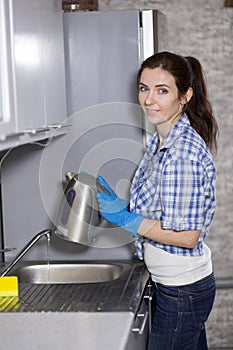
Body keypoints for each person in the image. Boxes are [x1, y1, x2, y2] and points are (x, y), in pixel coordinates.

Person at [96, 51, 218, 350]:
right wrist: (126, 210)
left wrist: (126, 218)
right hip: (176, 285)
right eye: (144, 88)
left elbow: (188, 237)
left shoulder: (180, 153)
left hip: (181, 290)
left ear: (185, 96)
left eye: (162, 90)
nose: (149, 100)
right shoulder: (160, 140)